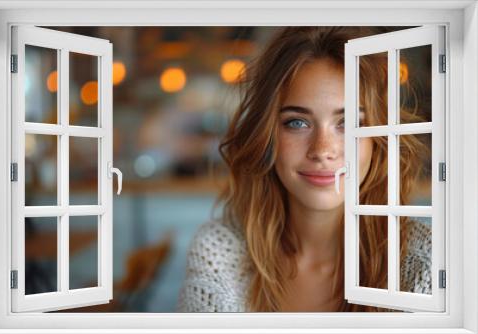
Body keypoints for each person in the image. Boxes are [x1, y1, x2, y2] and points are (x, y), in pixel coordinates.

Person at [177, 27, 432, 312]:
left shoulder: (426, 263)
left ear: (379, 139)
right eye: (297, 122)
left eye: (348, 124)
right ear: (266, 135)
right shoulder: (218, 256)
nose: (322, 150)